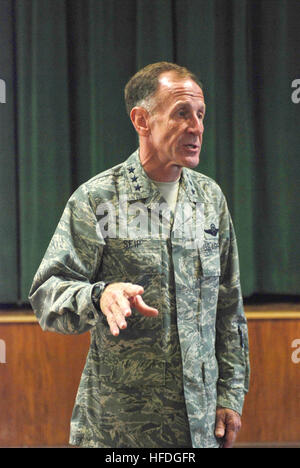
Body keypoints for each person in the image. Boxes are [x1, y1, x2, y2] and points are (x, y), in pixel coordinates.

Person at [29, 62, 250, 449]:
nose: (196, 127)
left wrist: (230, 394)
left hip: (200, 430)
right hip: (119, 432)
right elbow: (47, 295)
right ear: (142, 120)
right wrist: (99, 295)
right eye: (182, 113)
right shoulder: (99, 199)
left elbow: (228, 308)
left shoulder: (210, 199)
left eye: (200, 115)